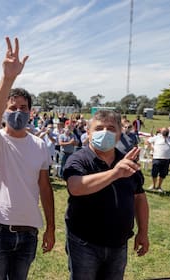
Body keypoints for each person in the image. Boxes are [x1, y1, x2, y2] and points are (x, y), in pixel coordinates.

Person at [0, 37, 55, 279]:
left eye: (23, 107)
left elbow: (45, 188)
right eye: (12, 107)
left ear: (31, 112)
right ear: (5, 110)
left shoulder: (40, 145)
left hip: (29, 231)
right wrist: (8, 78)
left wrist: (51, 226)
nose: (18, 112)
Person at [63, 110, 149, 280]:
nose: (105, 132)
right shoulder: (78, 159)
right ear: (88, 133)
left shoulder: (127, 161)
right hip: (85, 242)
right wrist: (115, 173)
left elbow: (139, 197)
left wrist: (143, 232)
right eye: (99, 128)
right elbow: (75, 187)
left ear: (119, 134)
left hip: (119, 243)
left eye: (111, 128)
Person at [146, 127, 170, 192]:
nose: (165, 132)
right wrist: (152, 148)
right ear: (161, 132)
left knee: (163, 174)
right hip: (157, 158)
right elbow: (147, 141)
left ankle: (159, 187)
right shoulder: (157, 137)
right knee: (154, 173)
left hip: (167, 159)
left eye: (166, 131)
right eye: (164, 131)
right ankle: (153, 186)